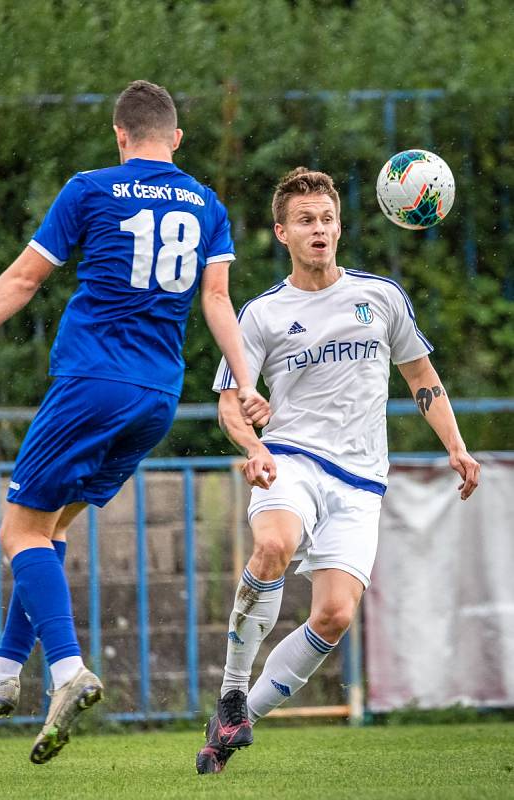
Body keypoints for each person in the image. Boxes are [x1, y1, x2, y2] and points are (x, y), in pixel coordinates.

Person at [0, 80, 270, 764]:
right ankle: (1, 673)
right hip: (155, 398)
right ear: (175, 138)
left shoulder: (90, 188)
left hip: (91, 382)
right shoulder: (206, 204)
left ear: (119, 134)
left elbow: (24, 280)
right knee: (48, 530)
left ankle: (64, 670)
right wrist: (246, 381)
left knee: (17, 528)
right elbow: (219, 301)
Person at [196, 166, 480, 774]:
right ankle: (231, 690)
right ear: (282, 232)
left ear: (339, 227)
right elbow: (229, 405)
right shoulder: (263, 314)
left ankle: (233, 726)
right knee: (273, 543)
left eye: (327, 219)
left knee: (334, 615)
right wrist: (255, 447)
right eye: (305, 221)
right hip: (291, 460)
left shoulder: (380, 297)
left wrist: (455, 446)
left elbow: (421, 379)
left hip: (361, 481)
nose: (319, 229)